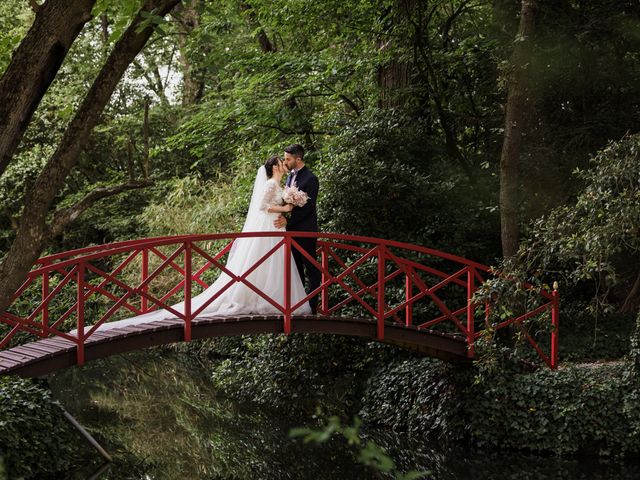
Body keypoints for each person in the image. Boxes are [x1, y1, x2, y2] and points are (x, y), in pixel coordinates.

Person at [88, 155, 311, 332]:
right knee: (262, 261)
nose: (284, 164)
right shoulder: (271, 184)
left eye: (285, 161)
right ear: (274, 167)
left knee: (273, 263)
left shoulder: (282, 183)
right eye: (281, 162)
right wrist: (286, 208)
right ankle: (262, 299)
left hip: (277, 227)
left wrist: (289, 208)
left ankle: (277, 299)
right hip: (268, 225)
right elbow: (263, 207)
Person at [274, 144, 321, 314]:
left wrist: (287, 220)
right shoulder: (289, 177)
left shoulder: (311, 179)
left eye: (288, 159)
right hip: (291, 232)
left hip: (306, 230)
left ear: (298, 159)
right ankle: (299, 305)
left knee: (311, 267)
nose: (285, 161)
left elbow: (308, 208)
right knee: (295, 268)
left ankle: (312, 305)